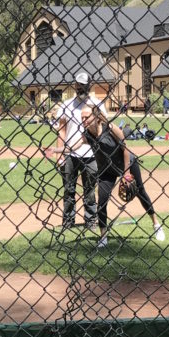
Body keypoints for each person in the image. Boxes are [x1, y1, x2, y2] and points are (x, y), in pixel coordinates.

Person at [80, 104, 165, 248]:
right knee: (102, 201)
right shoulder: (87, 133)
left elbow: (125, 149)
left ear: (95, 116)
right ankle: (103, 237)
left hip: (127, 164)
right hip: (107, 170)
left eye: (86, 117)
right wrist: (57, 150)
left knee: (140, 192)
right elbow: (74, 145)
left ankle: (156, 225)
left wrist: (126, 173)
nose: (83, 120)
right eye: (81, 117)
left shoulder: (111, 128)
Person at [54, 71, 105, 230]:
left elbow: (103, 129)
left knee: (89, 191)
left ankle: (90, 220)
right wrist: (60, 154)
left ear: (89, 86)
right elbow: (61, 130)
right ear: (74, 85)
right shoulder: (66, 105)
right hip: (70, 155)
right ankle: (68, 221)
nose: (80, 88)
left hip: (91, 154)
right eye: (78, 85)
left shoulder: (97, 104)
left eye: (83, 85)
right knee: (68, 190)